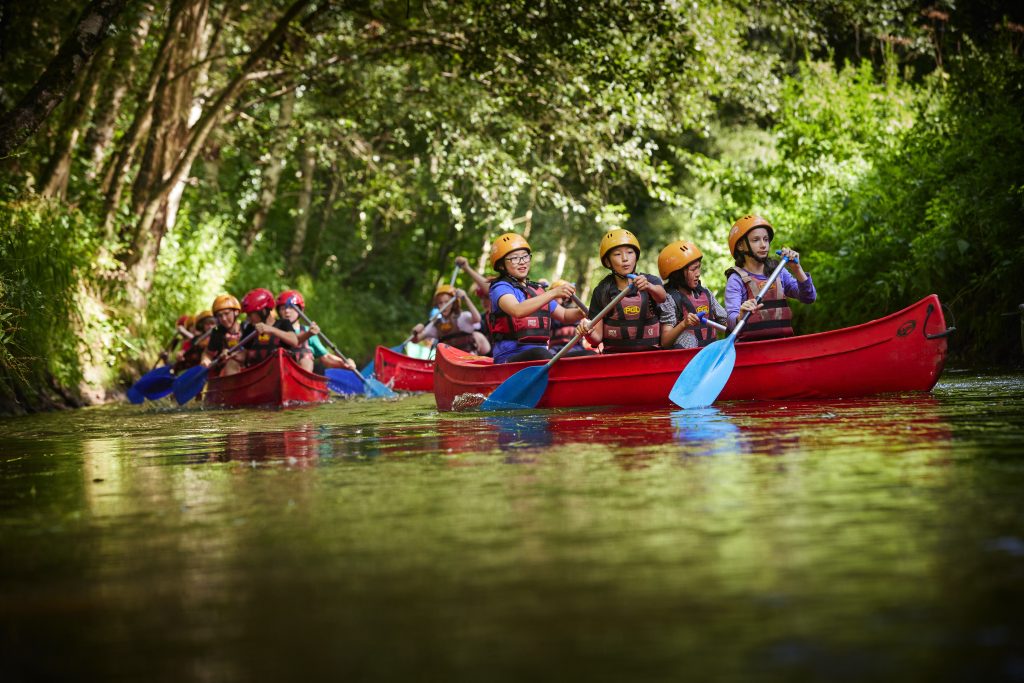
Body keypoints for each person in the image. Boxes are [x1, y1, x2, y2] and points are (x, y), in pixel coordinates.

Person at [487, 232, 587, 363]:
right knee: (541, 354)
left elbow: (564, 315)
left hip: (542, 357)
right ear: (501, 265)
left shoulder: (536, 291)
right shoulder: (500, 288)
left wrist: (582, 312)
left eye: (525, 257)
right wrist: (553, 293)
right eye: (515, 258)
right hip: (509, 357)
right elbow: (517, 310)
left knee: (588, 354)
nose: (522, 262)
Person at [579, 228, 674, 352]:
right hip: (616, 360)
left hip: (651, 357)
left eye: (630, 252)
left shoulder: (651, 281)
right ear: (608, 262)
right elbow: (596, 339)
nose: (625, 258)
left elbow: (662, 297)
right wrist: (587, 333)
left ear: (636, 256)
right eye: (617, 254)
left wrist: (649, 286)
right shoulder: (602, 290)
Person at [724, 214, 816, 340]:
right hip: (752, 348)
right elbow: (730, 320)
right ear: (740, 245)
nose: (763, 245)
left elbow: (808, 297)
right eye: (756, 240)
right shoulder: (736, 279)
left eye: (766, 239)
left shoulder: (778, 271)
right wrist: (740, 316)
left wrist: (797, 269)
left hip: (782, 345)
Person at [658, 240, 728, 349]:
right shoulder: (669, 299)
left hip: (711, 355)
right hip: (687, 362)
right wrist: (683, 324)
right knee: (688, 339)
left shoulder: (706, 293)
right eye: (693, 269)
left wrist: (741, 315)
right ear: (678, 274)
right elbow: (665, 341)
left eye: (699, 267)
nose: (698, 273)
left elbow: (726, 322)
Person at [275, 289, 357, 372]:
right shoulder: (273, 330)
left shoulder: (309, 331)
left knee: (305, 354)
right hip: (278, 374)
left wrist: (343, 363)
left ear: (300, 310)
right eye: (283, 308)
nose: (287, 311)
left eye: (291, 307)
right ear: (279, 312)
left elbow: (325, 357)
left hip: (302, 377)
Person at [411, 284, 491, 355]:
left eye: (446, 302)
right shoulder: (436, 324)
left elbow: (477, 319)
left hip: (468, 359)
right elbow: (415, 340)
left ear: (454, 303)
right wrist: (415, 333)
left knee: (478, 336)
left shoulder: (463, 317)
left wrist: (465, 298)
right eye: (440, 303)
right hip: (449, 363)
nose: (443, 305)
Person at [241, 287, 298, 367]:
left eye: (250, 314)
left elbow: (294, 341)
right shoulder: (250, 328)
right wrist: (230, 355)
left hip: (282, 368)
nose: (248, 318)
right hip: (258, 373)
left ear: (263, 311)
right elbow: (242, 354)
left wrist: (271, 329)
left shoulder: (283, 323)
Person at [546, 280, 592, 355]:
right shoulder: (550, 310)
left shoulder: (578, 310)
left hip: (575, 347)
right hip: (555, 348)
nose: (565, 298)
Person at [203, 294, 246, 376]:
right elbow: (208, 353)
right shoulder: (217, 331)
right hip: (225, 371)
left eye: (226, 314)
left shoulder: (246, 327)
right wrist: (206, 360)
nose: (223, 318)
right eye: (220, 315)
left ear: (236, 312)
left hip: (246, 368)